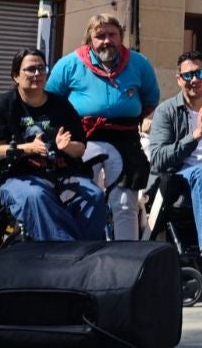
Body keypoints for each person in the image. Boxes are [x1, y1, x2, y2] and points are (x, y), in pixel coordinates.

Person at [47, 13, 160, 241]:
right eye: (100, 36)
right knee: (84, 199)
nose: (107, 40)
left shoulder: (139, 64)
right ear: (89, 39)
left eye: (112, 35)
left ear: (121, 37)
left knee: (125, 204)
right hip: (83, 139)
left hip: (125, 139)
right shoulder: (69, 64)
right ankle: (84, 253)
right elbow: (50, 102)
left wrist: (126, 113)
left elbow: (150, 99)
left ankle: (126, 257)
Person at [0, 48, 107, 241]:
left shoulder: (62, 106)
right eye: (31, 69)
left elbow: (80, 148)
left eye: (42, 69)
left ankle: (86, 253)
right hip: (18, 177)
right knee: (37, 196)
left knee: (94, 196)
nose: (37, 74)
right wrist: (28, 148)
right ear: (15, 76)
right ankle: (68, 254)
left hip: (61, 174)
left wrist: (65, 147)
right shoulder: (4, 106)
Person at [147, 50, 202, 292]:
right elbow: (159, 159)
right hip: (182, 177)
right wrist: (193, 138)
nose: (195, 79)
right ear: (178, 79)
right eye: (188, 75)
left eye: (200, 73)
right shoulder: (167, 111)